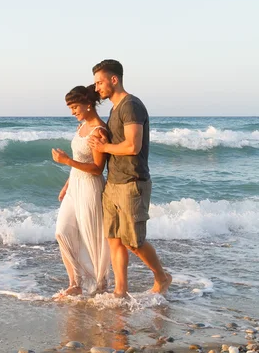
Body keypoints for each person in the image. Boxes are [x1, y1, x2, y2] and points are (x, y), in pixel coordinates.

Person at [88, 59, 172, 298]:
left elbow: (133, 146)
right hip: (113, 183)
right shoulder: (115, 109)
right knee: (114, 240)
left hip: (132, 182)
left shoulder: (131, 105)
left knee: (134, 242)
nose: (97, 88)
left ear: (114, 79)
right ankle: (120, 291)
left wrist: (104, 147)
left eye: (99, 82)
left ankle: (162, 277)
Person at [52, 84, 110, 296]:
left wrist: (66, 161)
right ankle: (75, 283)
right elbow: (79, 160)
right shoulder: (81, 127)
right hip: (75, 185)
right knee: (62, 232)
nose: (73, 111)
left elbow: (97, 169)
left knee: (90, 236)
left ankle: (101, 285)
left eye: (75, 106)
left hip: (90, 188)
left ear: (88, 104)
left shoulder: (99, 131)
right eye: (71, 107)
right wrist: (67, 185)